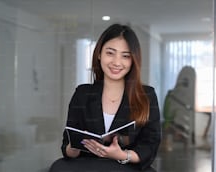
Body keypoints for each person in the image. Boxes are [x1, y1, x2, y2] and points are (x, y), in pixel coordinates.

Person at [49, 23, 161, 172]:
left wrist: (122, 155)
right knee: (58, 167)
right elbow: (67, 145)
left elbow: (150, 144)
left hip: (126, 166)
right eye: (110, 53)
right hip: (87, 165)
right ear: (99, 54)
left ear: (133, 60)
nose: (116, 62)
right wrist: (75, 147)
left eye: (125, 56)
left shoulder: (146, 95)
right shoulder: (82, 93)